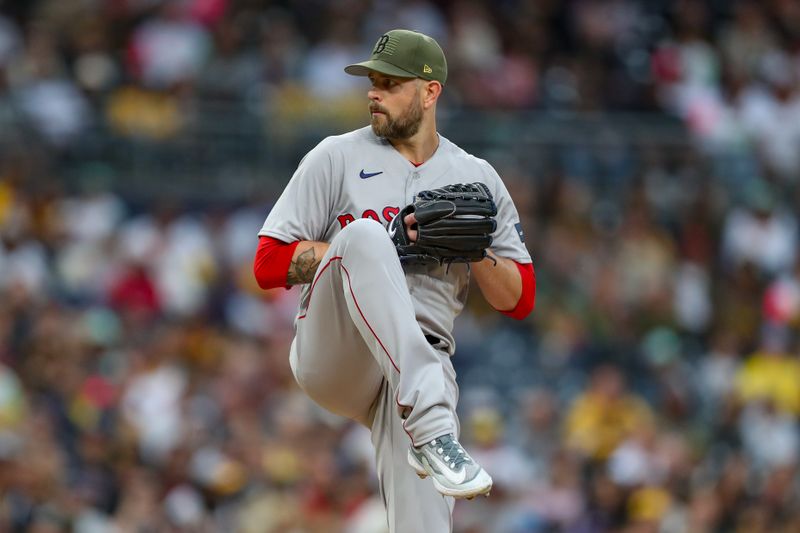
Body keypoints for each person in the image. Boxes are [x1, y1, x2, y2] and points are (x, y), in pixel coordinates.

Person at [253, 29, 535, 532]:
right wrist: (386, 242)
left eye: (389, 83)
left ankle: (430, 434)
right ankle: (433, 427)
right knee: (363, 236)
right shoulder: (336, 156)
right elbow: (268, 262)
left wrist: (477, 251)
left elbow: (520, 300)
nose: (373, 93)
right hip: (339, 350)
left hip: (416, 364)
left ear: (430, 92)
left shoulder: (476, 175)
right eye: (372, 82)